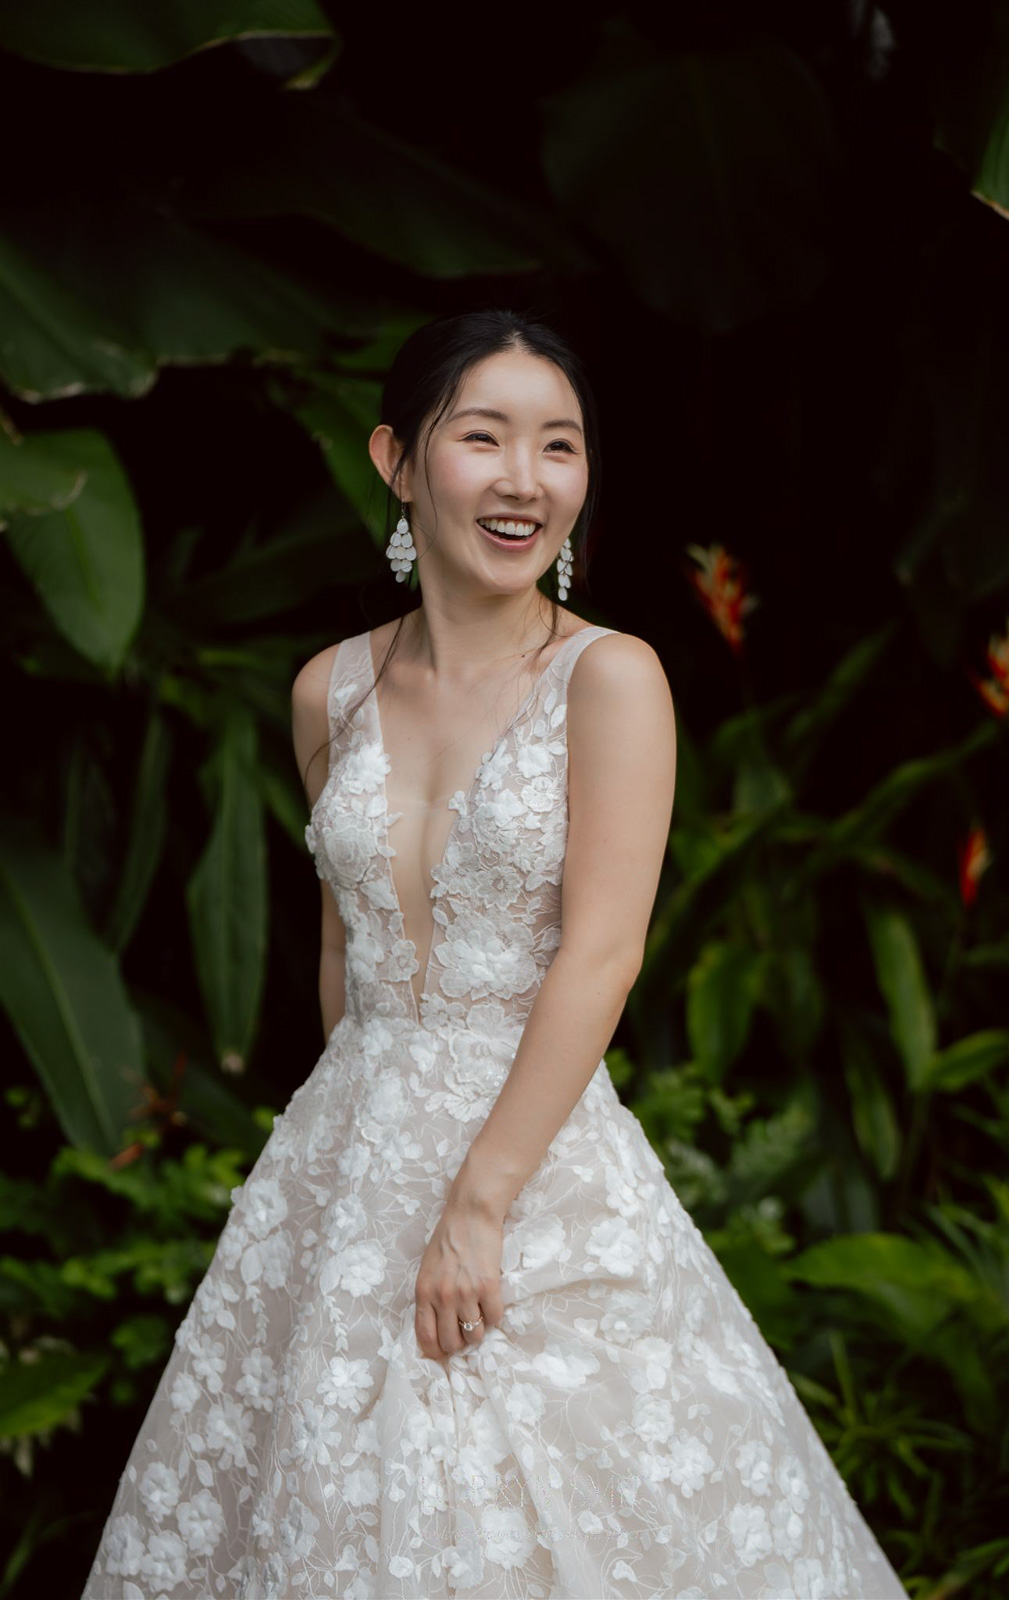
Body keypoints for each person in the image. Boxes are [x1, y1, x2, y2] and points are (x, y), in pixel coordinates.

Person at [82, 310, 908, 1598]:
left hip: (536, 1164)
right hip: (348, 1154)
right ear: (398, 461)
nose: (526, 479)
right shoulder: (326, 692)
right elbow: (340, 958)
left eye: (560, 445)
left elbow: (604, 956)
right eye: (484, 437)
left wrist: (478, 1204)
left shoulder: (611, 679)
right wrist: (339, 1175)